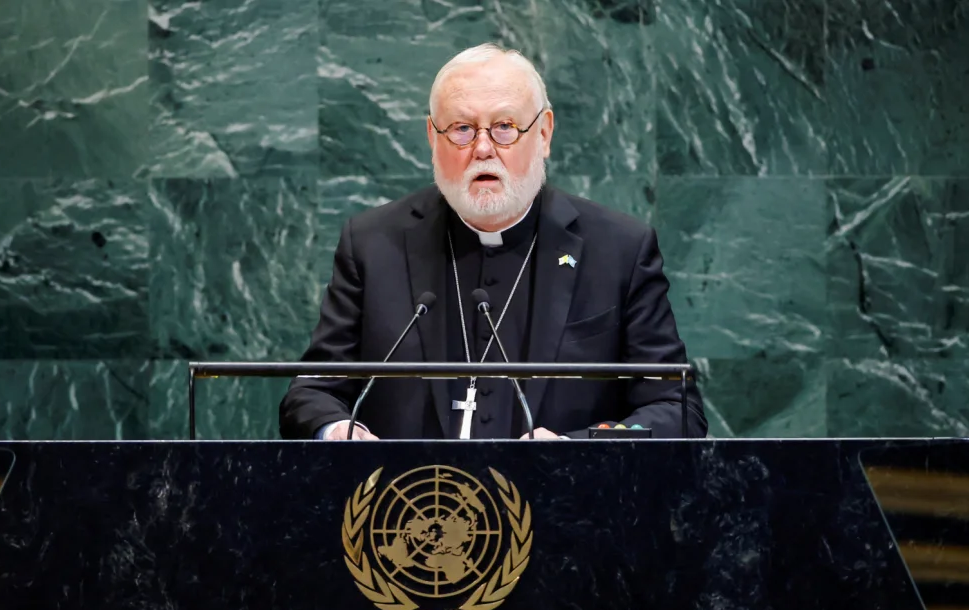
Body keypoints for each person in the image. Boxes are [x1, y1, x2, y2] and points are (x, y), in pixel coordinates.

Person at [278, 43, 706, 441]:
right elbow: (311, 394)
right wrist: (336, 429)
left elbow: (676, 407)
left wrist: (580, 450)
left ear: (544, 134)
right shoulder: (372, 245)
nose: (482, 148)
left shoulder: (619, 249)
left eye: (505, 127)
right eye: (462, 129)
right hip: (408, 510)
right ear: (432, 137)